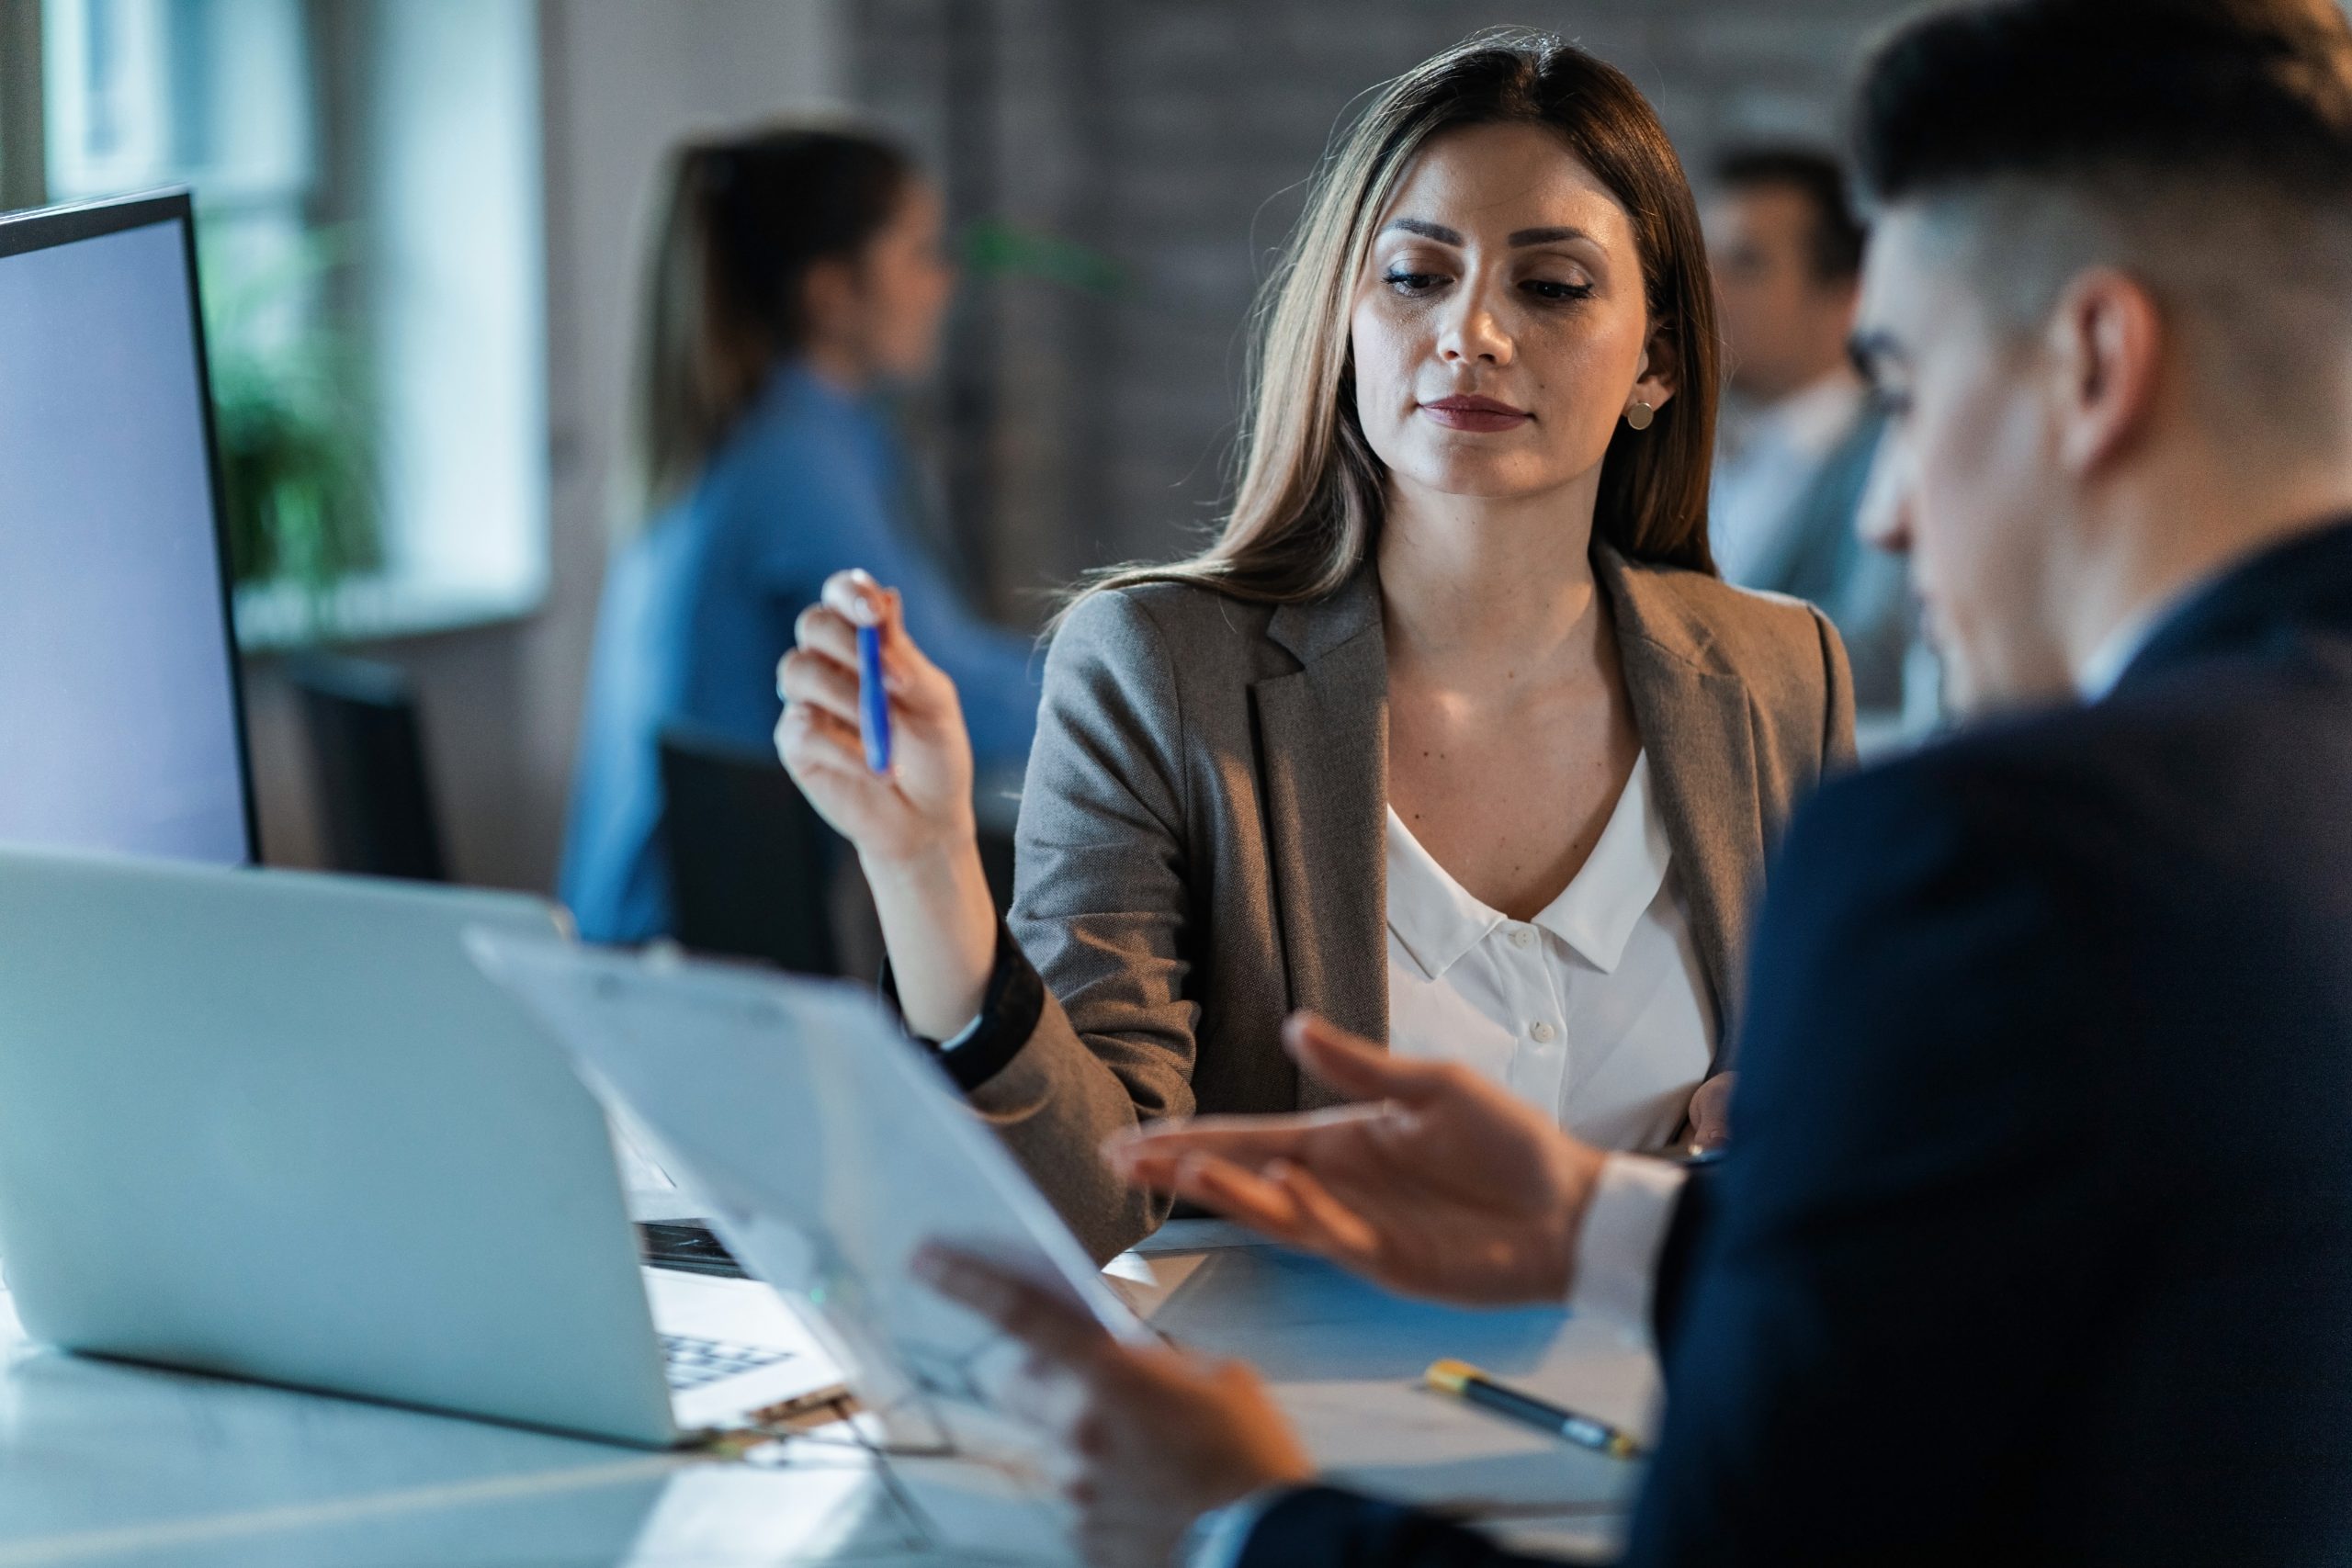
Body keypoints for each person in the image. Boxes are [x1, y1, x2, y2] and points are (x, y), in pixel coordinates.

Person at [910, 0, 2352, 1562]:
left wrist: (1234, 1519)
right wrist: (1610, 1222)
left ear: (2094, 362)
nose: (1884, 513)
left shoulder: (1951, 823)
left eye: (1910, 385)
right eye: (1415, 274)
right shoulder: (1164, 659)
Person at [776, 36, 1857, 1262]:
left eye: (1551, 286)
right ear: (1345, 320)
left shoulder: (1782, 676)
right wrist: (924, 870)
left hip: (1677, 1425)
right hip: (1290, 1429)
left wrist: (1820, 1116)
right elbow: (1088, 1201)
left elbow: (1855, 1122)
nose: (1473, 333)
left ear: (1657, 359)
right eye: (1413, 275)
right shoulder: (1155, 669)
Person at [561, 124, 1040, 944]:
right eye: (920, 252)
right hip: (687, 961)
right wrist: (1144, 704)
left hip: (636, 925)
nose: (945, 281)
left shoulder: (750, 432)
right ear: (831, 293)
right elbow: (939, 682)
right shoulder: (795, 462)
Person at [1707, 147, 1914, 719]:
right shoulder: (1680, 444)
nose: (1707, 289)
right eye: (1706, 259)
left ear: (1846, 296)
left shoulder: (1896, 449)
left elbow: (1877, 658)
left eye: (1745, 263)